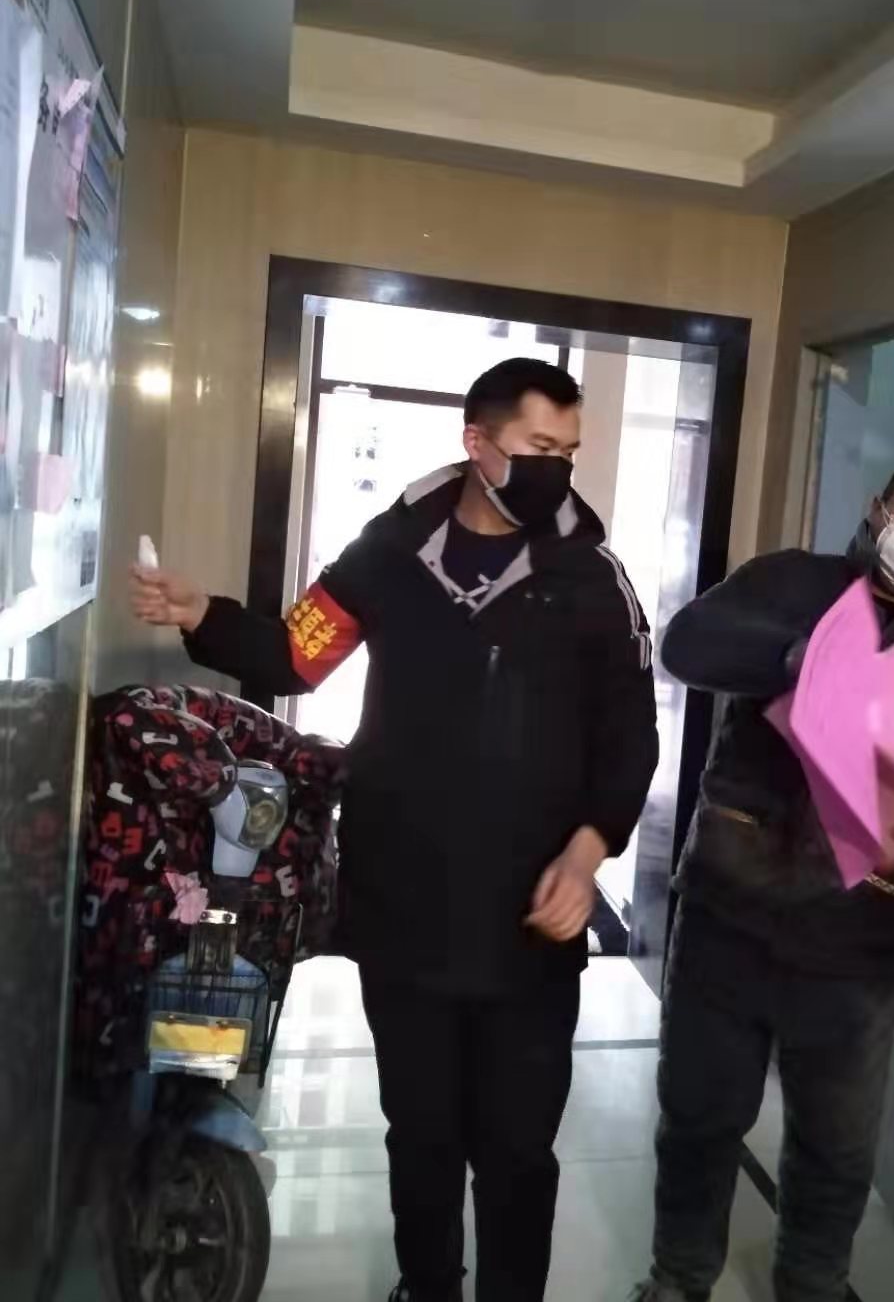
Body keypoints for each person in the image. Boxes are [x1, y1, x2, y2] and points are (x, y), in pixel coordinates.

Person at [131, 358, 659, 1302]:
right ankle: (427, 1285)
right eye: (540, 447)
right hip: (403, 906)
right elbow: (297, 654)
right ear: (477, 442)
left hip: (532, 921)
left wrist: (587, 856)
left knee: (516, 1148)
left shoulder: (591, 576)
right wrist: (201, 613)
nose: (557, 469)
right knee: (420, 1133)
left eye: (570, 452)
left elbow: (632, 742)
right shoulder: (390, 553)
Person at [632, 454, 894, 1302]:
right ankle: (680, 1276)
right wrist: (804, 657)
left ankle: (813, 1283)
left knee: (837, 1146)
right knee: (699, 1119)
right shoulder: (793, 583)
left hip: (858, 941)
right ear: (880, 508)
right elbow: (685, 646)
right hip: (730, 913)